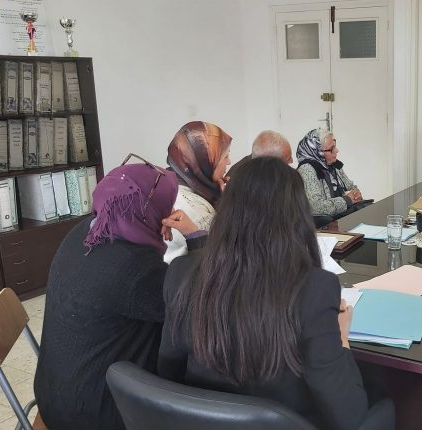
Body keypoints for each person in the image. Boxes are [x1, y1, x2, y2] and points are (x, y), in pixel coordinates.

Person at [158, 157, 370, 430]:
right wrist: (341, 338)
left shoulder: (181, 273)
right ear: (297, 216)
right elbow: (349, 415)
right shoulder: (315, 289)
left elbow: (169, 374)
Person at [34, 157, 204, 430]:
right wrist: (197, 238)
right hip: (94, 413)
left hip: (55, 394)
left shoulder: (83, 231)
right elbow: (196, 302)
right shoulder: (136, 268)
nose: (172, 210)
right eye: (167, 206)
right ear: (153, 212)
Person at [164, 121, 232, 263]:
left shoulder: (172, 183)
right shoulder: (192, 208)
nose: (229, 162)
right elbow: (225, 251)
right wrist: (229, 204)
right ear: (204, 161)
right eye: (225, 156)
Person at [297, 128, 365, 226]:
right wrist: (347, 200)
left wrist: (356, 195)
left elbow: (351, 188)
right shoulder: (307, 169)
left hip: (340, 216)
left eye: (335, 146)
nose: (336, 150)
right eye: (331, 149)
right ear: (317, 151)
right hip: (324, 223)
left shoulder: (333, 164)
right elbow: (316, 207)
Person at [224, 129, 293, 182]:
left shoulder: (264, 171)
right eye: (287, 160)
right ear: (269, 163)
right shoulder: (239, 180)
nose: (292, 161)